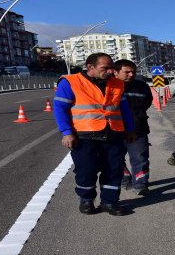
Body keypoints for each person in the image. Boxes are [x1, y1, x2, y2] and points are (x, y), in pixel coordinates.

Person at [53, 53, 136, 216]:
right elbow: (60, 109)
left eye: (112, 68)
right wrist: (67, 132)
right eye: (105, 68)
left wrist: (130, 129)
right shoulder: (70, 82)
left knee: (114, 170)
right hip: (85, 135)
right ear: (90, 67)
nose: (110, 71)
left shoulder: (117, 83)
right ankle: (86, 200)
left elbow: (124, 109)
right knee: (86, 170)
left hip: (114, 134)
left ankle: (109, 202)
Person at [114, 59, 153, 197]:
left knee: (140, 158)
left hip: (138, 128)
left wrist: (137, 116)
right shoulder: (109, 86)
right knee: (115, 159)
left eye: (133, 72)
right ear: (116, 72)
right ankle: (125, 179)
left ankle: (141, 185)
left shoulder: (142, 86)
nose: (131, 74)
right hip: (114, 130)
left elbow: (147, 103)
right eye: (127, 72)